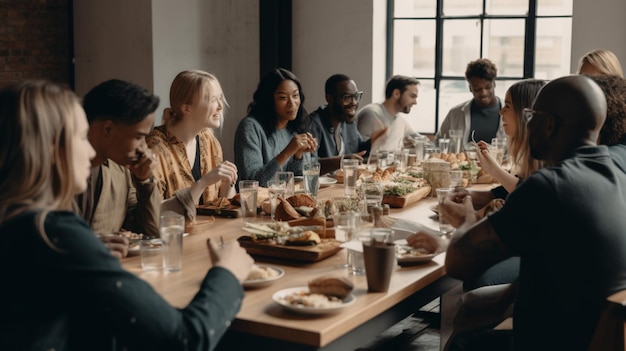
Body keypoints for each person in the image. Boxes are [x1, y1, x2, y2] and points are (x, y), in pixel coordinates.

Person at [0, 80, 254, 351]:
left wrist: (89, 250)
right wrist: (226, 273)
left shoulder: (19, 221)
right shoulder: (52, 231)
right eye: (79, 137)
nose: (89, 150)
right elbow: (185, 339)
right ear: (51, 149)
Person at [426, 75, 626, 350]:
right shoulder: (618, 173)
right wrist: (498, 303)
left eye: (532, 115)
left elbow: (458, 264)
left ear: (549, 125)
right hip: (598, 335)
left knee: (463, 342)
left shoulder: (548, 187)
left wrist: (467, 221)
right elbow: (561, 264)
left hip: (552, 342)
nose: (527, 122)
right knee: (472, 313)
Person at [77, 79, 161, 241]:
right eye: (139, 137)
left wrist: (144, 182)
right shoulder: (60, 168)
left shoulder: (120, 169)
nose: (143, 149)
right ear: (107, 129)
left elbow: (151, 234)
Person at [147, 70, 238, 220]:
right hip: (174, 238)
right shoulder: (155, 149)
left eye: (220, 98)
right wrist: (203, 182)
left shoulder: (209, 140)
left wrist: (228, 182)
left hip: (209, 234)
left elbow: (227, 206)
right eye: (212, 99)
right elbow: (154, 213)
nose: (221, 106)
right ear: (186, 108)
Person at [234, 68, 317, 186]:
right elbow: (252, 182)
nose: (292, 103)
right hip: (258, 203)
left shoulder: (297, 126)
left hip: (287, 201)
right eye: (283, 97)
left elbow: (296, 182)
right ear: (268, 99)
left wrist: (298, 155)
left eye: (295, 95)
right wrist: (286, 153)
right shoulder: (250, 127)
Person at [309, 73, 386, 174]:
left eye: (356, 96)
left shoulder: (347, 119)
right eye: (347, 97)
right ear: (330, 98)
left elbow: (356, 148)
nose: (354, 102)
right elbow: (309, 164)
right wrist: (341, 161)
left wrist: (372, 141)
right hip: (323, 186)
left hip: (344, 181)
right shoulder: (313, 124)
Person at [436, 58, 505, 145]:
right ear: (470, 88)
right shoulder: (455, 114)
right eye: (477, 89)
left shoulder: (511, 113)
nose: (483, 93)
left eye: (488, 87)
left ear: (494, 84)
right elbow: (439, 143)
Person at [356, 74, 421, 152]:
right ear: (396, 94)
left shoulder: (400, 120)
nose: (415, 102)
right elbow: (361, 152)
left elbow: (422, 141)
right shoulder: (372, 114)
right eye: (412, 96)